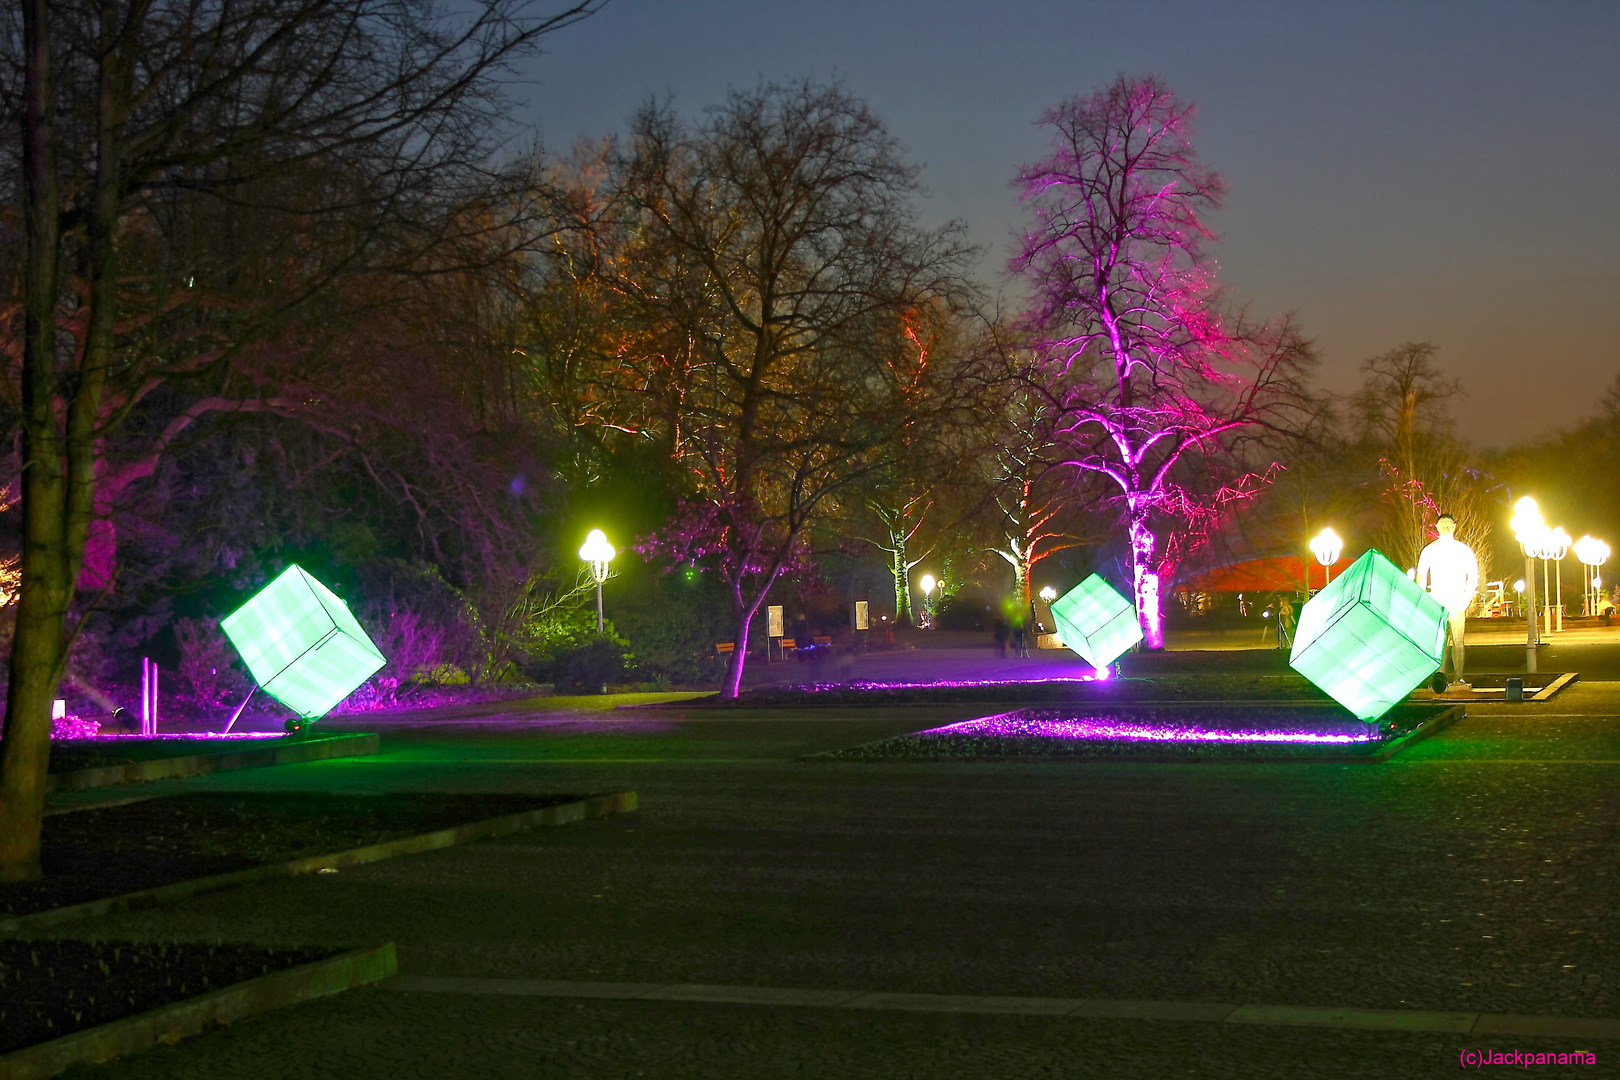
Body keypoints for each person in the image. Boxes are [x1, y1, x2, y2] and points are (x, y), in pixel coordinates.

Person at [1416, 513, 1479, 686]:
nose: (1445, 526)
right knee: (1439, 642)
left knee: (1458, 641)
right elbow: (1421, 576)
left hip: (1457, 600)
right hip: (1437, 600)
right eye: (1442, 524)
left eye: (1449, 523)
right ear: (1436, 527)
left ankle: (1458, 677)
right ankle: (1440, 677)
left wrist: (1465, 599)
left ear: (1454, 526)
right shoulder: (1429, 550)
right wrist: (1424, 600)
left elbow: (1473, 575)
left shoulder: (1463, 550)